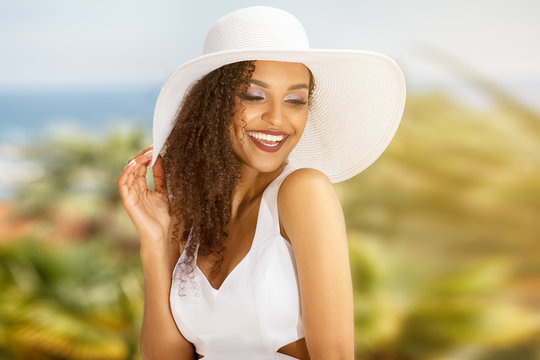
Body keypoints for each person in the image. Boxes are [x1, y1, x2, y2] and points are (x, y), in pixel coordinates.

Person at [117, 6, 405, 360]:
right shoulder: (189, 218)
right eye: (253, 96)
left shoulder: (303, 192)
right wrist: (155, 242)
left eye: (296, 100)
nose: (277, 118)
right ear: (214, 104)